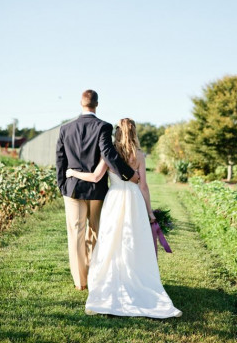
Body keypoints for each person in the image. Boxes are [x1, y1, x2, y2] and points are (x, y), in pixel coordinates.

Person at [66, 118, 182, 318]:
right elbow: (143, 186)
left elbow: (94, 177)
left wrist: (72, 172)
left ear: (117, 133)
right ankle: (134, 278)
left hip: (114, 201)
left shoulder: (110, 155)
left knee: (112, 241)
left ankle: (111, 280)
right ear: (134, 133)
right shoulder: (139, 155)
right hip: (134, 201)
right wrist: (150, 212)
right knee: (132, 241)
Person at [56, 91, 139, 291]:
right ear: (97, 104)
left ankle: (80, 282)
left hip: (72, 188)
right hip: (97, 189)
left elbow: (60, 159)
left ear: (81, 103)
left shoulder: (65, 128)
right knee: (95, 231)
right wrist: (129, 175)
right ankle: (94, 276)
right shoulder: (103, 126)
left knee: (76, 234)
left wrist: (62, 185)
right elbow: (108, 153)